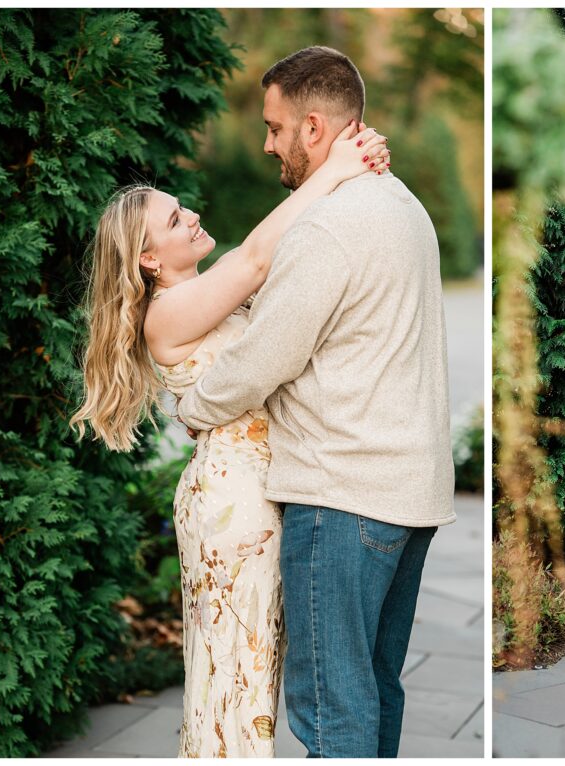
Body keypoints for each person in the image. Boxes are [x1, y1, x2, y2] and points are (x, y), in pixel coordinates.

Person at [70, 118, 389, 755]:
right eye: (173, 220)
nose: (191, 216)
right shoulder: (168, 313)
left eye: (183, 206)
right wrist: (334, 169)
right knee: (237, 677)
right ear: (149, 260)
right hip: (233, 506)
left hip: (261, 492)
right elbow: (255, 256)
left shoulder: (206, 297)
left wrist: (345, 170)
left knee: (250, 671)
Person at [175, 46, 456, 759]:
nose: (267, 143)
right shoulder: (400, 204)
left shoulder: (328, 227)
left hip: (343, 498)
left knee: (333, 711)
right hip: (408, 495)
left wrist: (195, 408)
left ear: (312, 126)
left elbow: (264, 357)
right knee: (374, 692)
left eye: (274, 128)